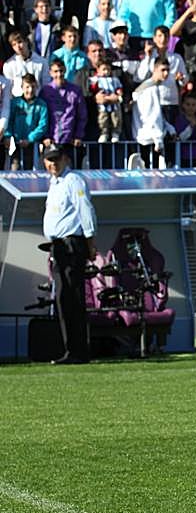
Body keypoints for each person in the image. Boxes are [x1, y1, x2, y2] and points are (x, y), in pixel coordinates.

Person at [42, 142, 98, 364]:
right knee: (63, 298)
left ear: (66, 159)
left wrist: (90, 242)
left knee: (73, 298)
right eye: (49, 160)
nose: (53, 164)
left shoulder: (73, 180)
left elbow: (85, 209)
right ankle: (70, 349)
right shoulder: (54, 184)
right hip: (59, 246)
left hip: (72, 244)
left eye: (57, 159)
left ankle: (78, 351)